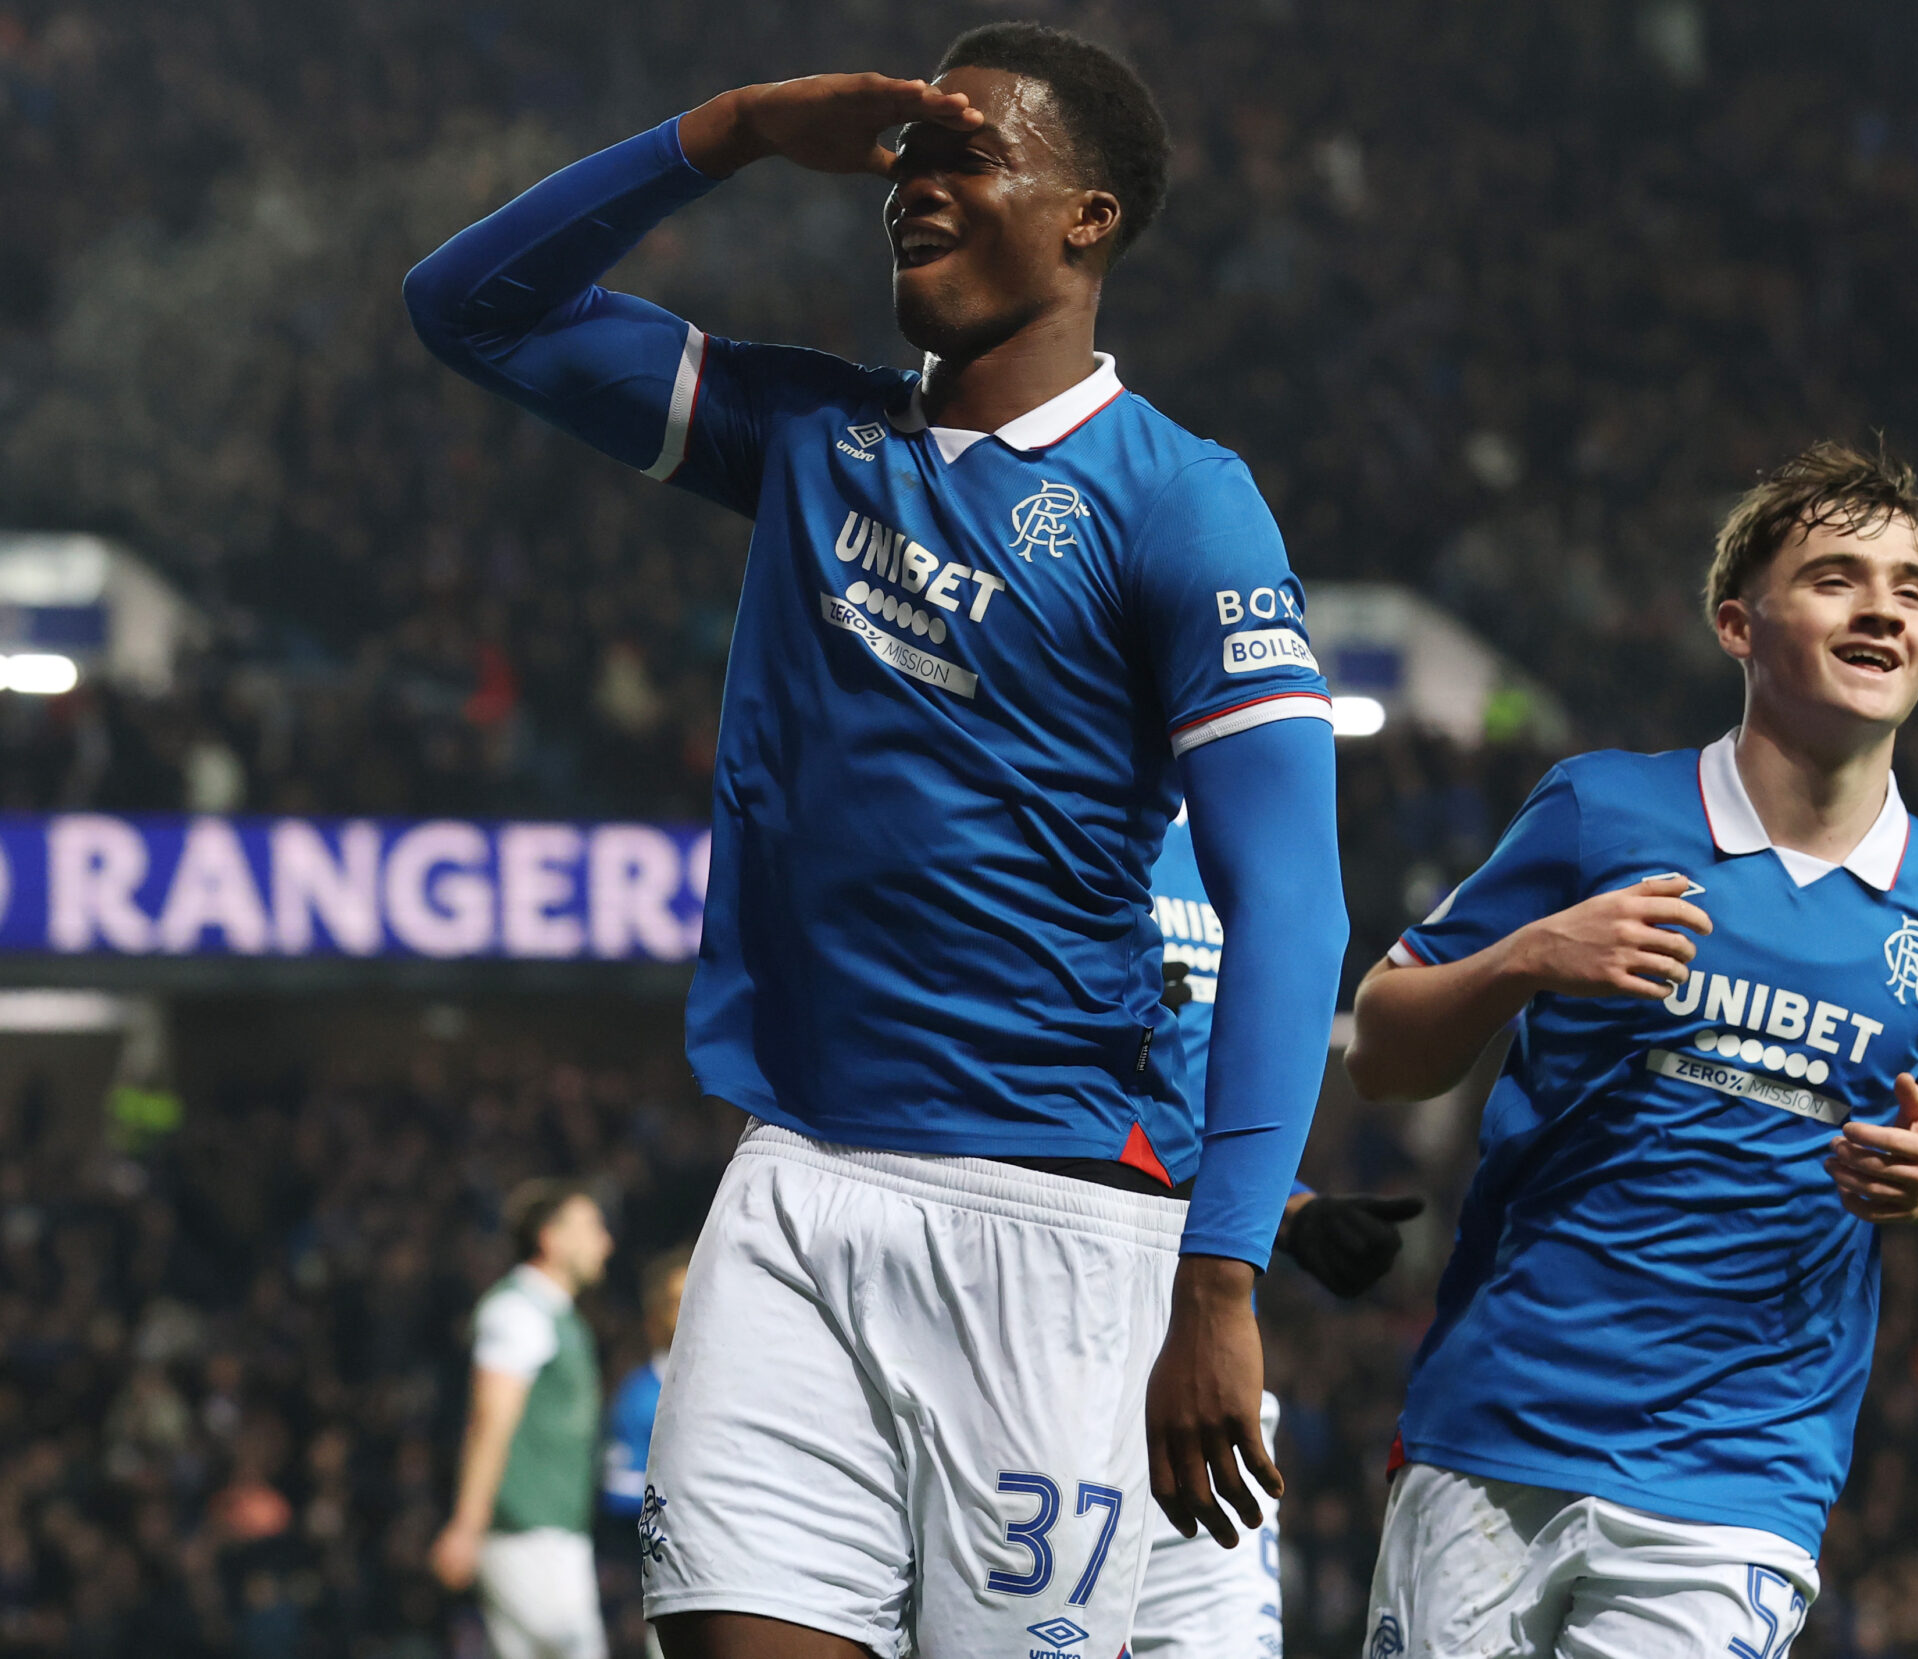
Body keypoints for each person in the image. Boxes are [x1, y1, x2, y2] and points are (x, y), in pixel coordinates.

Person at [405, 22, 1347, 1659]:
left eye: (971, 151)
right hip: (793, 1183)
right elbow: (469, 306)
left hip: (1051, 1223)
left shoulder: (1182, 500)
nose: (914, 182)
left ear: (1089, 217)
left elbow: (1295, 909)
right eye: (909, 152)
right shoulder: (809, 439)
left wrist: (1223, 1279)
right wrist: (738, 127)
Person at [1344, 442, 1918, 1656]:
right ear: (1737, 625)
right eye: (1835, 577)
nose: (1882, 608)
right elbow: (1380, 1050)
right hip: (1500, 1425)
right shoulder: (1602, 811)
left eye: (1910, 589)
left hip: (1741, 1474)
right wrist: (1527, 959)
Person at [1135, 812, 1421, 1658]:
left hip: (1205, 1373)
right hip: (1051, 1338)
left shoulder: (1251, 834)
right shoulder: (1074, 798)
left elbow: (1195, 1099)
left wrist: (1288, 1209)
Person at [431, 1181, 617, 1659]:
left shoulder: (559, 1317)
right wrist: (467, 1526)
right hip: (527, 1535)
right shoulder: (517, 1311)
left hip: (546, 1534)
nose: (606, 1242)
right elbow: (490, 1420)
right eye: (591, 1227)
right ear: (549, 1238)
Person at [602, 1248, 691, 1659]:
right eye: (676, 1300)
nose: (689, 1307)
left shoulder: (737, 1387)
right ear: (654, 1314)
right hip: (665, 1578)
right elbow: (617, 1488)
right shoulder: (639, 1396)